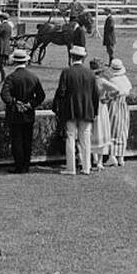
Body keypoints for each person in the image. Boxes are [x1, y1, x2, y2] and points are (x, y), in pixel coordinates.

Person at [53, 45, 99, 176]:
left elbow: (61, 92)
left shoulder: (66, 72)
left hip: (71, 109)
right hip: (86, 110)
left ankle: (71, 168)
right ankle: (86, 167)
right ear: (83, 58)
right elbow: (95, 94)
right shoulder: (90, 73)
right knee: (85, 139)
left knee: (70, 138)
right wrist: (95, 111)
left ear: (72, 57)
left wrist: (59, 107)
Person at [0, 48, 44, 173]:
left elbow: (4, 94)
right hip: (28, 113)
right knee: (27, 140)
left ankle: (19, 166)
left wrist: (14, 102)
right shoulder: (33, 77)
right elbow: (41, 96)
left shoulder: (11, 77)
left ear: (14, 62)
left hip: (15, 113)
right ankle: (26, 165)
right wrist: (31, 104)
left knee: (17, 140)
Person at [101, 59, 133, 166]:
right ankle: (121, 157)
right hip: (123, 106)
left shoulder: (113, 81)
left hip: (113, 106)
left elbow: (108, 94)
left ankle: (112, 156)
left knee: (112, 129)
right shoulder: (126, 80)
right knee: (122, 131)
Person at [87, 60, 112, 171]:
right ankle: (99, 161)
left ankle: (94, 159)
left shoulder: (87, 81)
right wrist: (107, 98)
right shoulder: (101, 81)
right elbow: (117, 90)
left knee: (91, 132)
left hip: (91, 108)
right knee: (100, 132)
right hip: (101, 108)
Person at [0, 12, 14, 80]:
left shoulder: (2, 26)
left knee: (0, 64)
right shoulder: (9, 26)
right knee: (4, 63)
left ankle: (3, 78)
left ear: (2, 18)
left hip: (1, 47)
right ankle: (4, 78)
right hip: (7, 46)